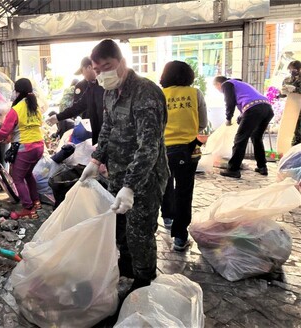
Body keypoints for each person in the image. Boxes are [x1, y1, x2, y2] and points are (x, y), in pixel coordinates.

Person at [79, 39, 169, 292]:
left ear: (122, 62)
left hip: (145, 178)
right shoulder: (110, 91)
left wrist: (130, 186)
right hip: (117, 173)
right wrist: (96, 160)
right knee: (121, 229)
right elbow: (107, 129)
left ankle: (143, 281)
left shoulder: (146, 93)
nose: (101, 74)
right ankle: (127, 267)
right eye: (97, 70)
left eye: (106, 66)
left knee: (140, 233)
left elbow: (148, 146)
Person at [159, 61, 208, 251]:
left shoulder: (159, 95)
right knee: (184, 191)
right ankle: (180, 237)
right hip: (189, 150)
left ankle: (168, 216)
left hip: (162, 149)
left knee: (165, 183)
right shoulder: (195, 94)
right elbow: (202, 122)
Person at [0, 78, 45, 219]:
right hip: (39, 146)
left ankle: (28, 207)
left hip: (26, 148)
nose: (13, 93)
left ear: (18, 92)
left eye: (15, 90)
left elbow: (4, 131)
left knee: (17, 178)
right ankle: (36, 202)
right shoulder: (35, 107)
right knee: (28, 174)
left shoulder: (16, 109)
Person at [214, 76, 274, 178]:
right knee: (256, 137)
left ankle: (233, 169)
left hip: (254, 109)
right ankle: (262, 167)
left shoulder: (226, 84)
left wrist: (228, 118)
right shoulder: (240, 84)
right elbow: (249, 102)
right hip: (267, 108)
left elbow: (229, 102)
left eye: (216, 87)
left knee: (240, 139)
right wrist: (241, 116)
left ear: (218, 84)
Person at [46, 57, 105, 144]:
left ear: (89, 68)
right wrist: (57, 117)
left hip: (107, 132)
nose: (83, 75)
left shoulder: (106, 84)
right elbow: (78, 106)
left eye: (82, 71)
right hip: (94, 129)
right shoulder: (91, 86)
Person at [282, 60, 301, 146]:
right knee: (290, 131)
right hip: (292, 109)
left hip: (299, 109)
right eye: (290, 70)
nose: (291, 71)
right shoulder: (288, 80)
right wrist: (281, 93)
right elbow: (284, 93)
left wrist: (295, 89)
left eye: (293, 69)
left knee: (298, 133)